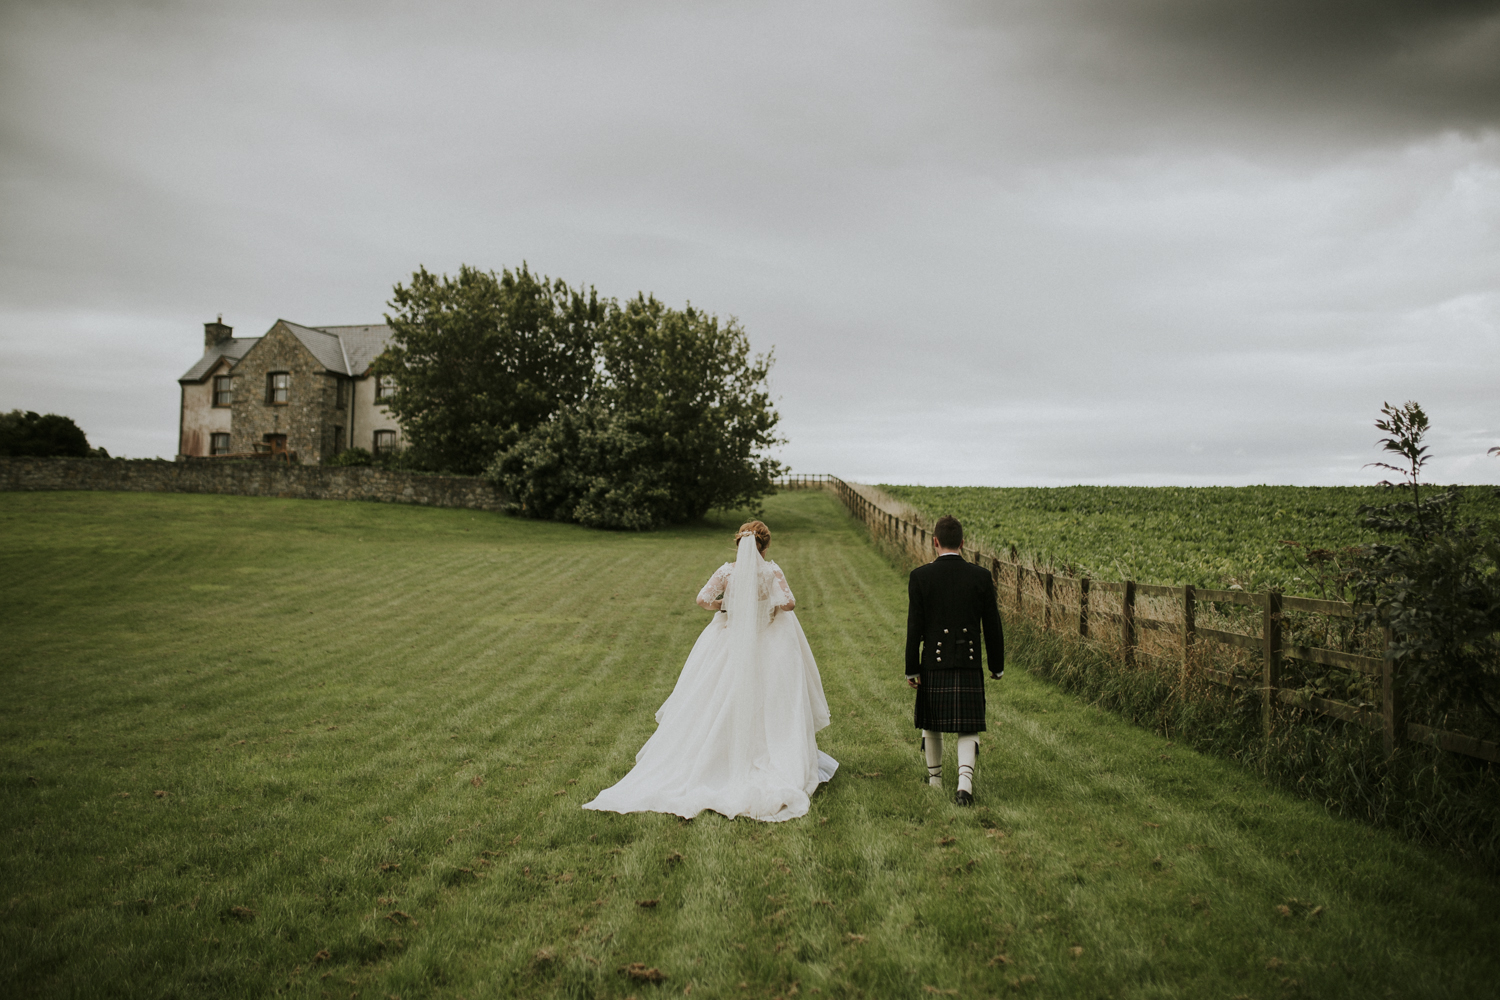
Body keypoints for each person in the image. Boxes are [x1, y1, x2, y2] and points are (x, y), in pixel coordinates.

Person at [584, 520, 838, 822]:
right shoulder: (772, 571)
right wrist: (765, 604)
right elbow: (790, 604)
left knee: (715, 700)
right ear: (766, 545)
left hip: (728, 642)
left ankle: (711, 759)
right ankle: (767, 758)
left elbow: (702, 600)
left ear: (738, 544)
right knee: (768, 703)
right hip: (766, 645)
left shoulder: (727, 572)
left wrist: (726, 605)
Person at [905, 515, 1003, 806]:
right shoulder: (981, 576)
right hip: (969, 661)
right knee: (967, 725)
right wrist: (996, 664)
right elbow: (992, 625)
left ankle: (935, 781)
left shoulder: (920, 576)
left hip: (933, 662)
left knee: (932, 722)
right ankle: (964, 786)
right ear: (963, 542)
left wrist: (912, 667)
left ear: (934, 541)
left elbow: (915, 627)